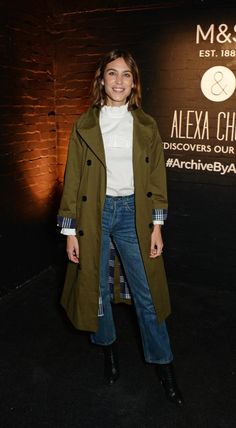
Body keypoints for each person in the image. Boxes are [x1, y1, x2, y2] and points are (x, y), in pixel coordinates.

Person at [57, 49, 183, 406]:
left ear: (134, 82)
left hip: (133, 213)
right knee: (95, 290)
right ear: (101, 79)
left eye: (126, 74)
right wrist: (70, 231)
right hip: (94, 213)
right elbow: (73, 180)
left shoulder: (146, 125)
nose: (118, 81)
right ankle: (109, 351)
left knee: (147, 295)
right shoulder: (84, 124)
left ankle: (165, 365)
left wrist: (157, 226)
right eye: (112, 73)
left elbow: (157, 178)